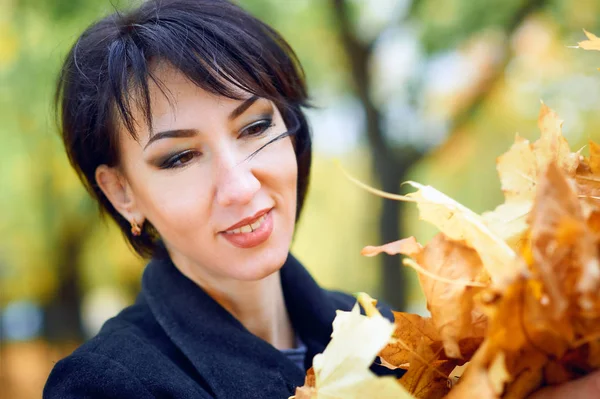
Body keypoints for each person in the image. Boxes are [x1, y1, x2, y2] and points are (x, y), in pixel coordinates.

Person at [43, 0, 600, 398]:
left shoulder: (386, 335)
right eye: (180, 157)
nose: (241, 186)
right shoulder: (106, 384)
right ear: (122, 192)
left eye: (255, 126)